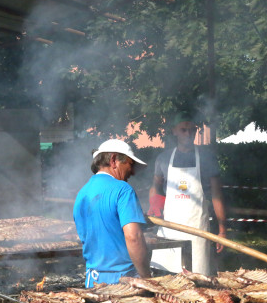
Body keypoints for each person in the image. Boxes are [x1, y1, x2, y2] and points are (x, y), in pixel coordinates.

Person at [148, 112, 227, 276]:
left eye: (192, 130)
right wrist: (155, 205)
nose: (188, 134)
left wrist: (222, 230)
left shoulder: (207, 158)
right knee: (169, 277)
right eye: (183, 130)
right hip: (171, 227)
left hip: (197, 228)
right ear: (174, 131)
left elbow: (217, 195)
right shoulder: (164, 158)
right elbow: (156, 185)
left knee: (199, 276)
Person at [73, 139, 151, 287]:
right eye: (130, 164)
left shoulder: (82, 193)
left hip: (93, 283)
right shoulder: (123, 189)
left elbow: (102, 230)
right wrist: (147, 278)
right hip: (123, 283)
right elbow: (133, 237)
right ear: (114, 160)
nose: (133, 172)